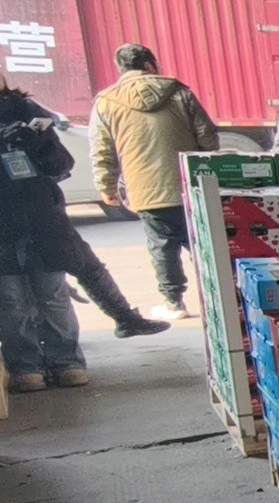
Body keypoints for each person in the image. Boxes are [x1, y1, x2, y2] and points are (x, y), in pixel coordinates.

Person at [2, 74, 168, 389]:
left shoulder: (27, 110)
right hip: (4, 225)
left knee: (52, 294)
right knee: (11, 301)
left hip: (42, 219)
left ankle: (67, 362)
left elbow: (61, 164)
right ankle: (26, 368)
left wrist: (36, 143)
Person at [89, 43, 218, 321]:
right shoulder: (180, 92)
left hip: (145, 189)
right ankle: (219, 298)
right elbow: (207, 136)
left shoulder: (106, 102)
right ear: (149, 65)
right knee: (202, 242)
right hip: (190, 185)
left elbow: (101, 150)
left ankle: (174, 302)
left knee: (162, 245)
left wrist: (106, 187)